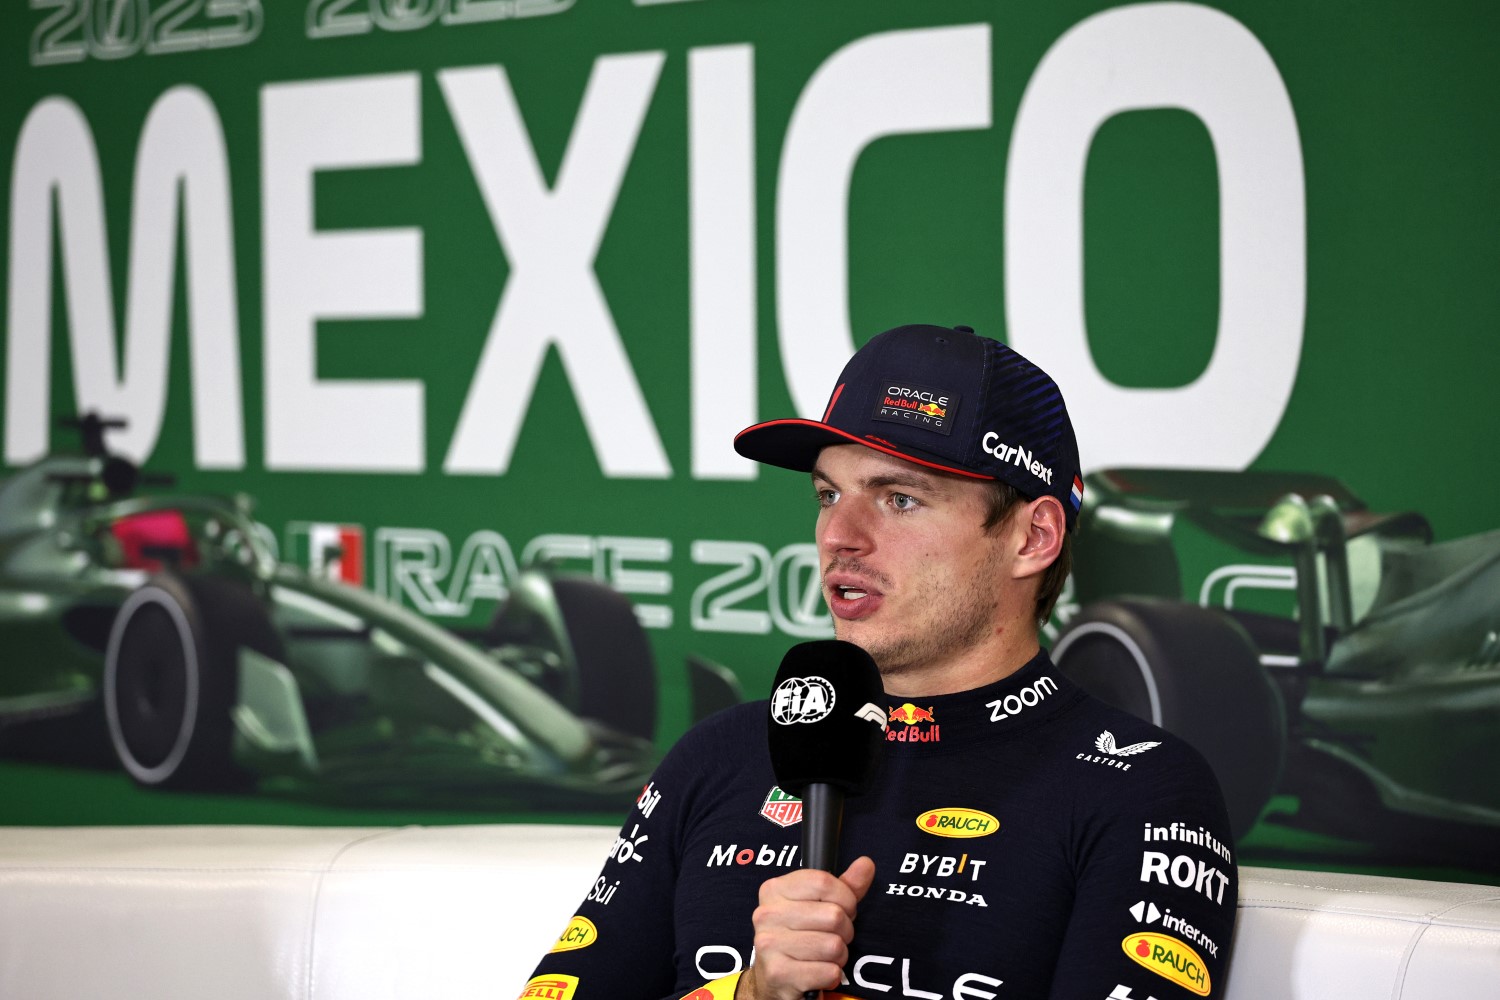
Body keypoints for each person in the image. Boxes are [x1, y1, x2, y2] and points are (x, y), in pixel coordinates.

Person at [521, 324, 1237, 1000]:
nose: (839, 534)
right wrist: (749, 991)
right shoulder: (718, 756)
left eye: (898, 498)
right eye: (829, 493)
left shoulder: (1140, 790)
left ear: (1032, 537)